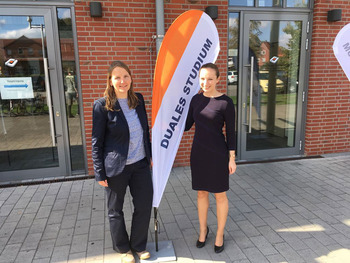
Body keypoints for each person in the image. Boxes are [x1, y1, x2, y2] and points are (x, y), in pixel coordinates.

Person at [92, 61, 153, 263]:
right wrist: (100, 173)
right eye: (117, 77)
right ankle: (123, 249)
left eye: (125, 76)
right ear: (110, 81)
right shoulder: (102, 106)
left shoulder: (139, 100)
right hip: (116, 168)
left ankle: (138, 245)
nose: (122, 81)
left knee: (144, 206)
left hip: (141, 165)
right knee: (115, 210)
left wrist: (150, 155)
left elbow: (145, 131)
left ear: (131, 78)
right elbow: (96, 142)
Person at [185, 63, 236, 254]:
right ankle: (203, 230)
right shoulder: (195, 100)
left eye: (210, 79)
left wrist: (232, 158)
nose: (205, 83)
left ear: (218, 79)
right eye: (202, 78)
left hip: (218, 155)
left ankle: (220, 234)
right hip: (198, 153)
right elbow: (187, 125)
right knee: (201, 193)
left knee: (220, 195)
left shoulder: (225, 102)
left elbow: (230, 132)